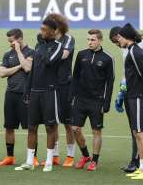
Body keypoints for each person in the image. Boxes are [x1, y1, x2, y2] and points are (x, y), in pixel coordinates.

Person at [15, 19, 63, 172]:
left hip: (49, 92)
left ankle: (49, 161)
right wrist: (27, 90)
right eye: (41, 29)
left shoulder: (58, 46)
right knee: (31, 127)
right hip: (35, 92)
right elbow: (33, 69)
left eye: (44, 29)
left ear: (53, 31)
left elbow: (49, 61)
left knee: (50, 127)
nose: (41, 32)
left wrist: (41, 46)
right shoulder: (39, 46)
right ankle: (29, 161)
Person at [71, 29, 115, 171]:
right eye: (88, 39)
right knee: (75, 129)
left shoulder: (108, 58)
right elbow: (75, 77)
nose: (90, 42)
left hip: (97, 101)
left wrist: (106, 103)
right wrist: (72, 96)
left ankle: (94, 161)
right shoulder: (81, 54)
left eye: (93, 40)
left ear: (100, 40)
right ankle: (85, 156)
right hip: (80, 99)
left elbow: (110, 82)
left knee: (96, 131)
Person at [0, 28, 37, 166]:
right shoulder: (7, 54)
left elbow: (28, 68)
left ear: (20, 38)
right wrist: (19, 65)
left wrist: (19, 52)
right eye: (9, 41)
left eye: (12, 41)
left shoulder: (32, 52)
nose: (10, 44)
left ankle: (33, 158)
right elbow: (2, 73)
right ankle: (10, 157)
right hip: (11, 94)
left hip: (26, 95)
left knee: (30, 127)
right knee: (9, 126)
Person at [109, 26, 143, 173]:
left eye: (118, 38)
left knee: (139, 131)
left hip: (137, 95)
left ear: (124, 36)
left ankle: (140, 167)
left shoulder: (136, 51)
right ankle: (138, 164)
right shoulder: (128, 50)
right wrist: (123, 89)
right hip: (131, 93)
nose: (117, 41)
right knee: (136, 131)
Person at [44, 13, 76, 167]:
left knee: (67, 123)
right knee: (52, 123)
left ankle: (70, 155)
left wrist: (48, 55)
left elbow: (63, 55)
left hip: (65, 85)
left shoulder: (68, 39)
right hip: (50, 86)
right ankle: (54, 155)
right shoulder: (47, 40)